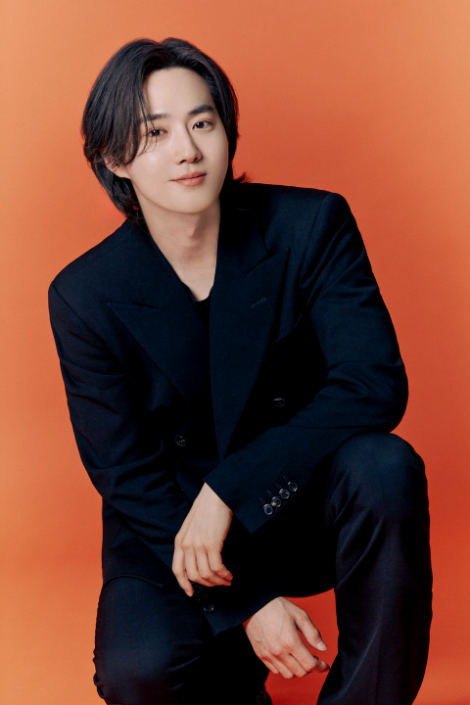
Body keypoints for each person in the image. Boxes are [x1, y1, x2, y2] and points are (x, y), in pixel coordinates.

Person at [48, 37, 433, 705]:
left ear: (227, 131)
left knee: (385, 465)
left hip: (293, 502)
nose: (188, 150)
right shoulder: (84, 294)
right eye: (156, 133)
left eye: (203, 123)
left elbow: (373, 383)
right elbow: (126, 473)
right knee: (140, 670)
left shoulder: (311, 225)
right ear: (114, 157)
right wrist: (248, 602)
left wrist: (227, 490)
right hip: (174, 527)